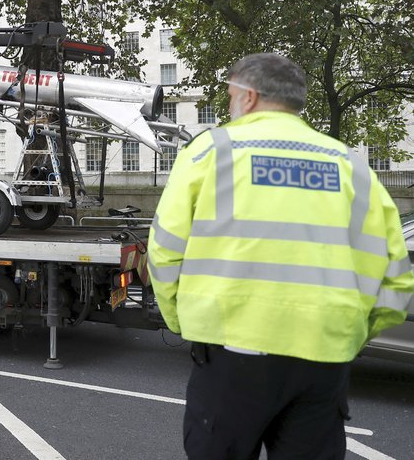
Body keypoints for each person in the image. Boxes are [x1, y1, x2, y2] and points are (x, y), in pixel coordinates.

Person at [148, 53, 413, 460]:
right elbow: (396, 271)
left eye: (231, 95)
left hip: (230, 347)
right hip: (323, 354)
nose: (230, 104)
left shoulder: (210, 152)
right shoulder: (349, 164)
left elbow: (165, 250)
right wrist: (352, 335)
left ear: (249, 97)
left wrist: (183, 319)